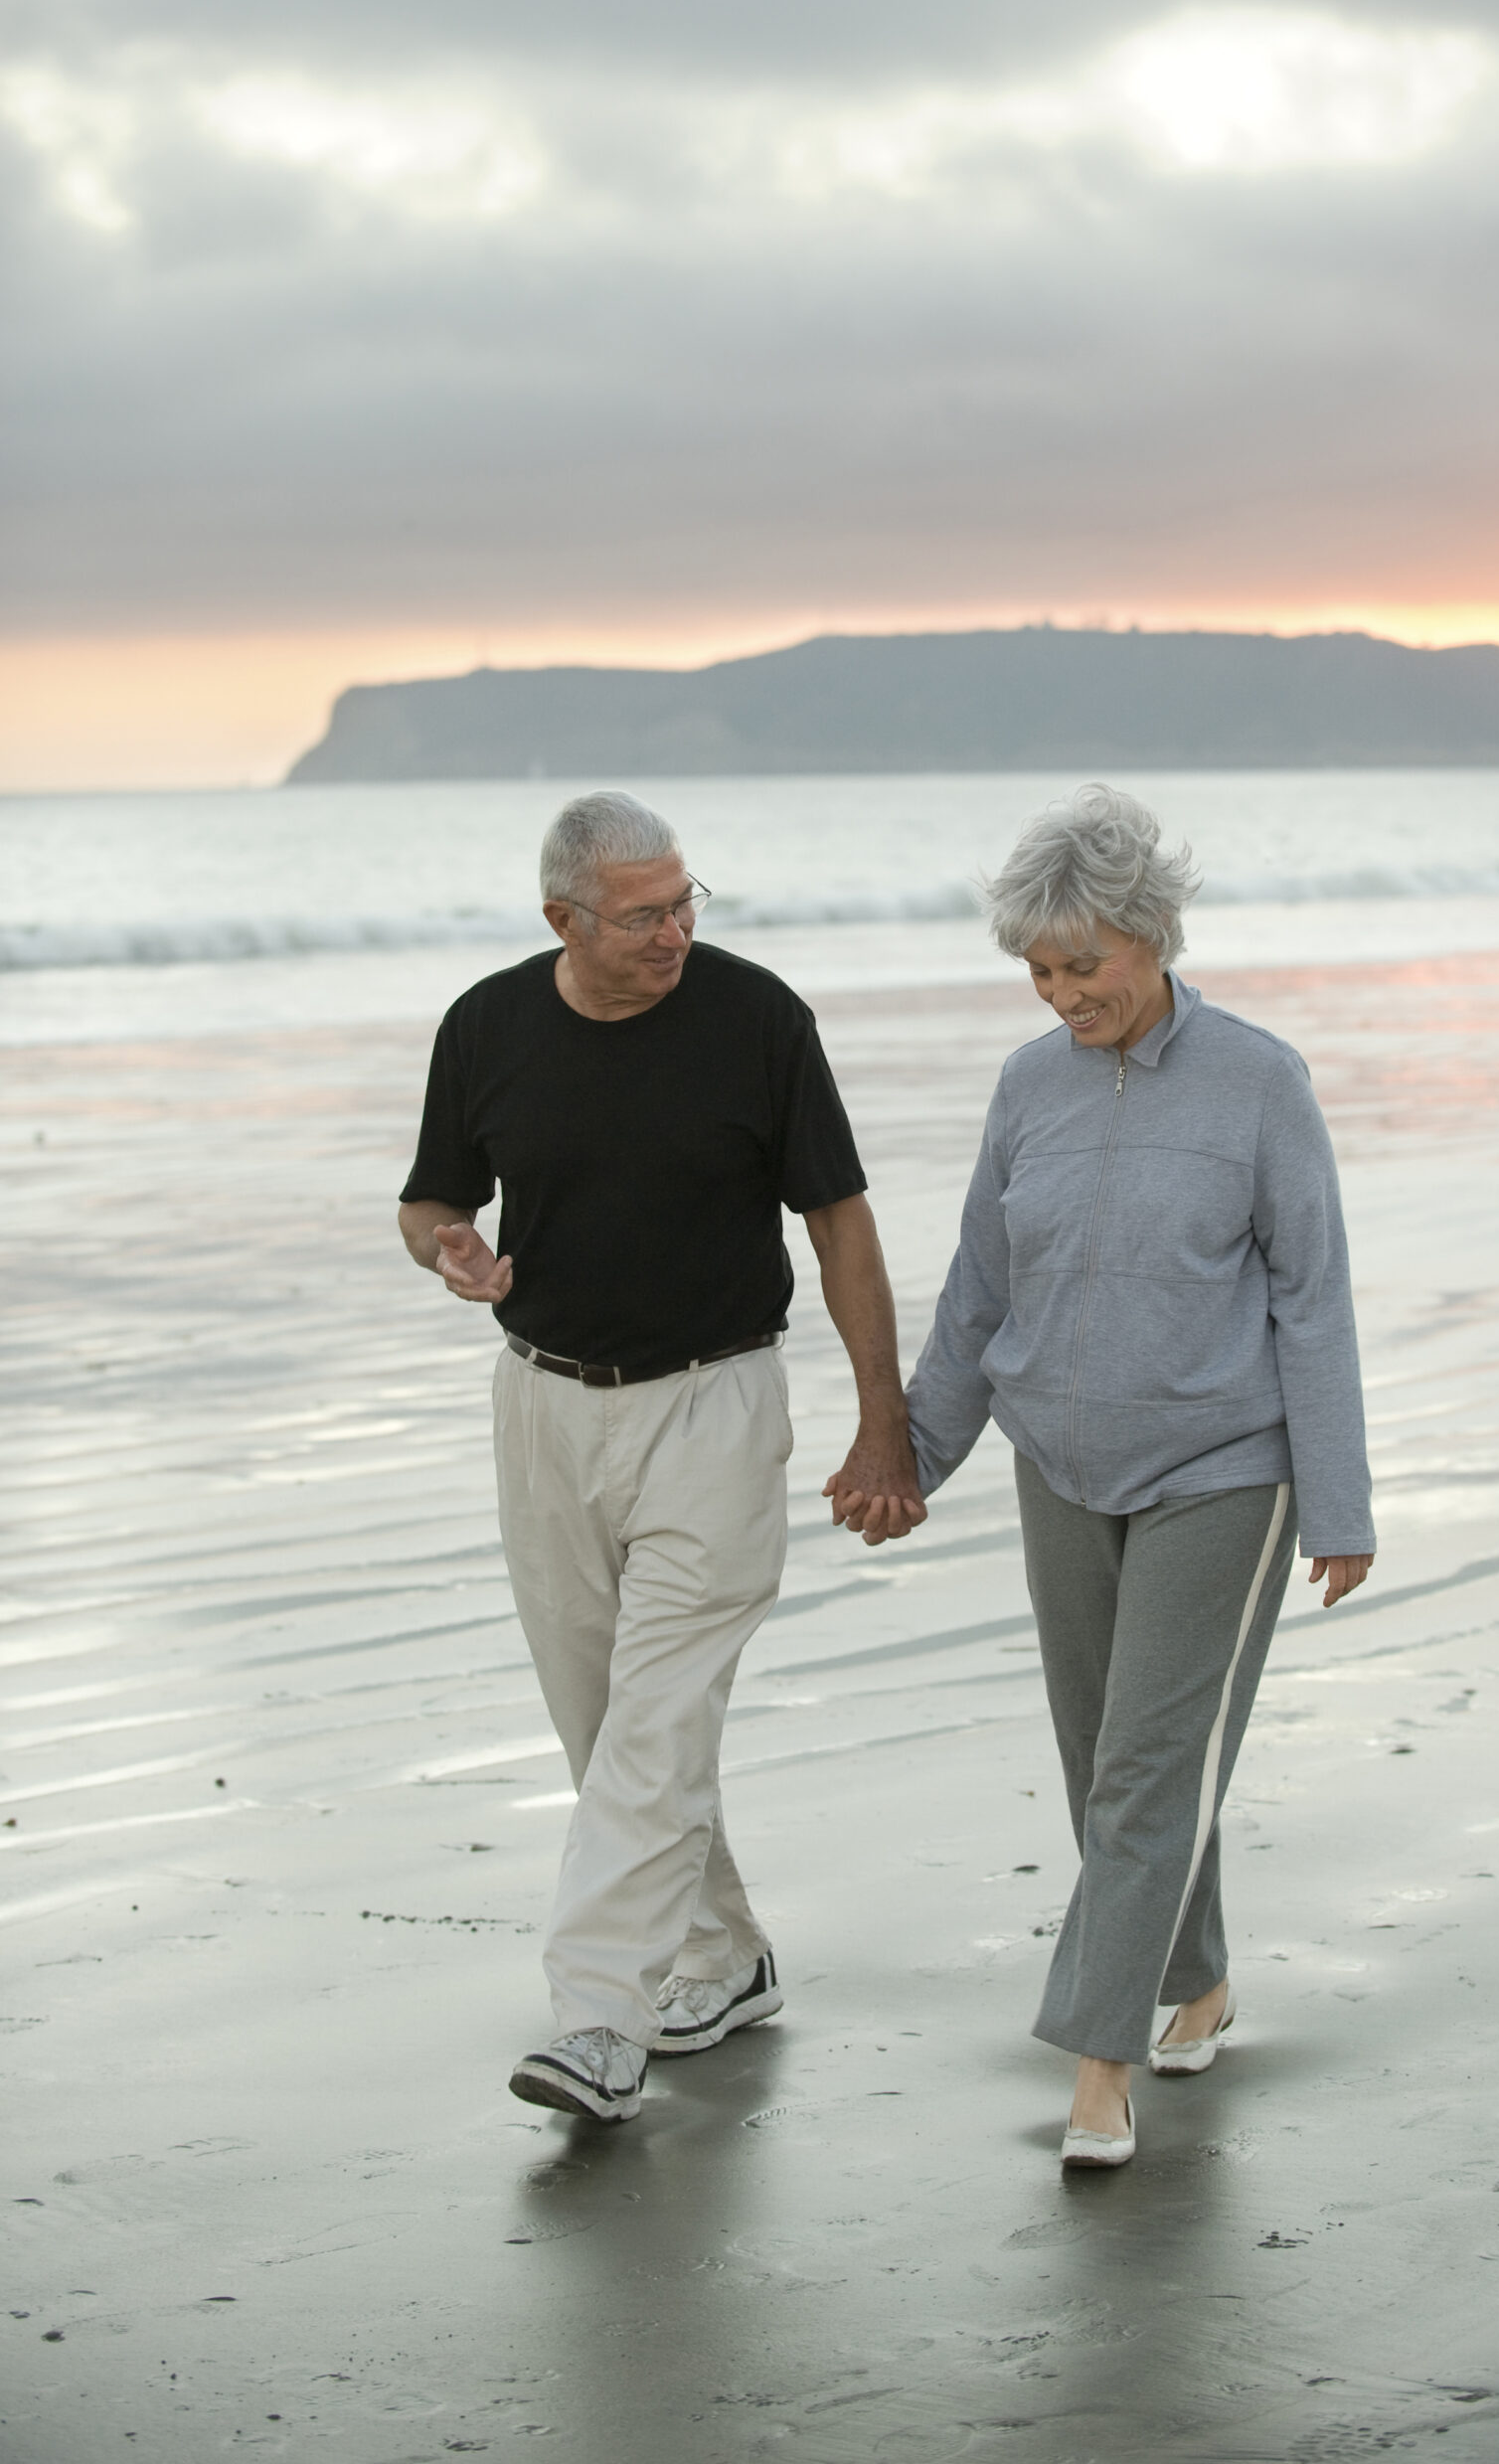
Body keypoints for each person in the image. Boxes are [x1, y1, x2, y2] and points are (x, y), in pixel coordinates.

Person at [398, 791, 923, 2124]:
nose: (674, 932)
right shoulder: (487, 1024)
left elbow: (839, 1221)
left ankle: (596, 2022)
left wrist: (883, 1418)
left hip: (715, 1408)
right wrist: (448, 1247)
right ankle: (725, 1957)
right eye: (644, 915)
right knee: (607, 1724)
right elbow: (430, 1200)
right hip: (543, 1408)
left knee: (653, 1721)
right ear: (561, 919)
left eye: (686, 903)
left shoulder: (757, 1020)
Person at [896, 785, 1375, 2168]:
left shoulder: (1259, 1081)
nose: (1059, 996)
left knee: (1149, 1766)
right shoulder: (1024, 1086)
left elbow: (1314, 1297)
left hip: (1221, 1467)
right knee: (1107, 1762)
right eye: (1038, 972)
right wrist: (916, 1457)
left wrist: (1335, 1500)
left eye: (1082, 965)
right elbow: (978, 1291)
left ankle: (1098, 2065)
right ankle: (1195, 1976)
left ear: (1151, 937)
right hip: (1058, 1463)